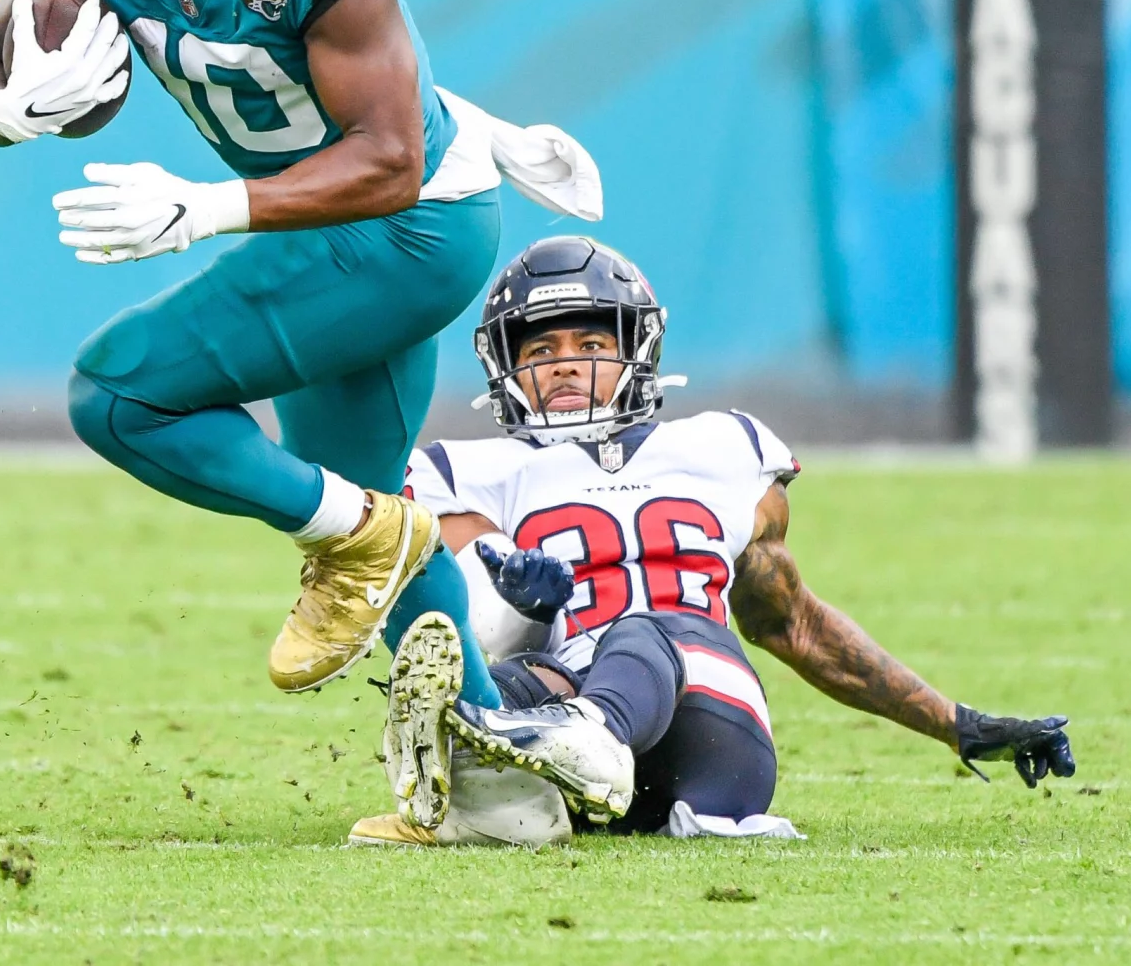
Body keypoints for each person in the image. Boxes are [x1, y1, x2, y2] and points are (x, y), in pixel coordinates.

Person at [0, 0, 606, 735]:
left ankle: (372, 537)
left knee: (118, 395)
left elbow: (389, 156)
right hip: (335, 222)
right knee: (364, 511)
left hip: (407, 227)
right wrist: (7, 109)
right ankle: (497, 775)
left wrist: (202, 209)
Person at [352, 235, 1075, 846]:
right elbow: (470, 629)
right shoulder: (471, 472)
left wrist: (956, 724)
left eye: (592, 342)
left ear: (638, 349)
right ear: (505, 366)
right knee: (492, 688)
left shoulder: (724, 449)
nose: (567, 362)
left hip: (712, 736)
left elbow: (793, 623)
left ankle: (579, 740)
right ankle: (492, 790)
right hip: (568, 717)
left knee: (644, 628)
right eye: (542, 347)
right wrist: (527, 610)